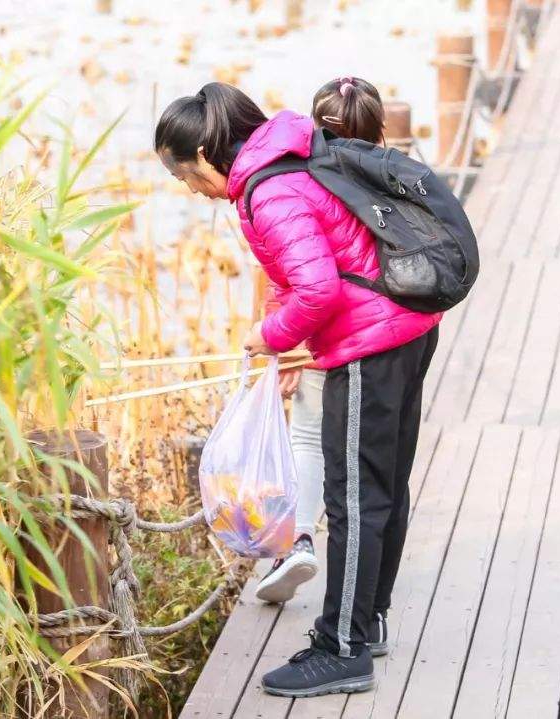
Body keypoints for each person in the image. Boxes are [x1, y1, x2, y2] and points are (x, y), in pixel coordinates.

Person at [154, 79, 441, 698]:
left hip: (373, 342)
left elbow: (318, 290)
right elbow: (306, 267)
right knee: (382, 485)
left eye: (185, 179)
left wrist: (271, 336)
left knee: (354, 497)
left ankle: (341, 648)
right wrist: (285, 336)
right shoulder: (288, 154)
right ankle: (368, 621)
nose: (194, 193)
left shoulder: (269, 189)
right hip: (406, 325)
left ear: (204, 155)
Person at [253, 77, 389, 607]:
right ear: (380, 130)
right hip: (381, 332)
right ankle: (366, 590)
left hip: (317, 324)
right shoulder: (393, 176)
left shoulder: (301, 178)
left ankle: (301, 539)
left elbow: (285, 271)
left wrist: (281, 340)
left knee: (308, 438)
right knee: (368, 458)